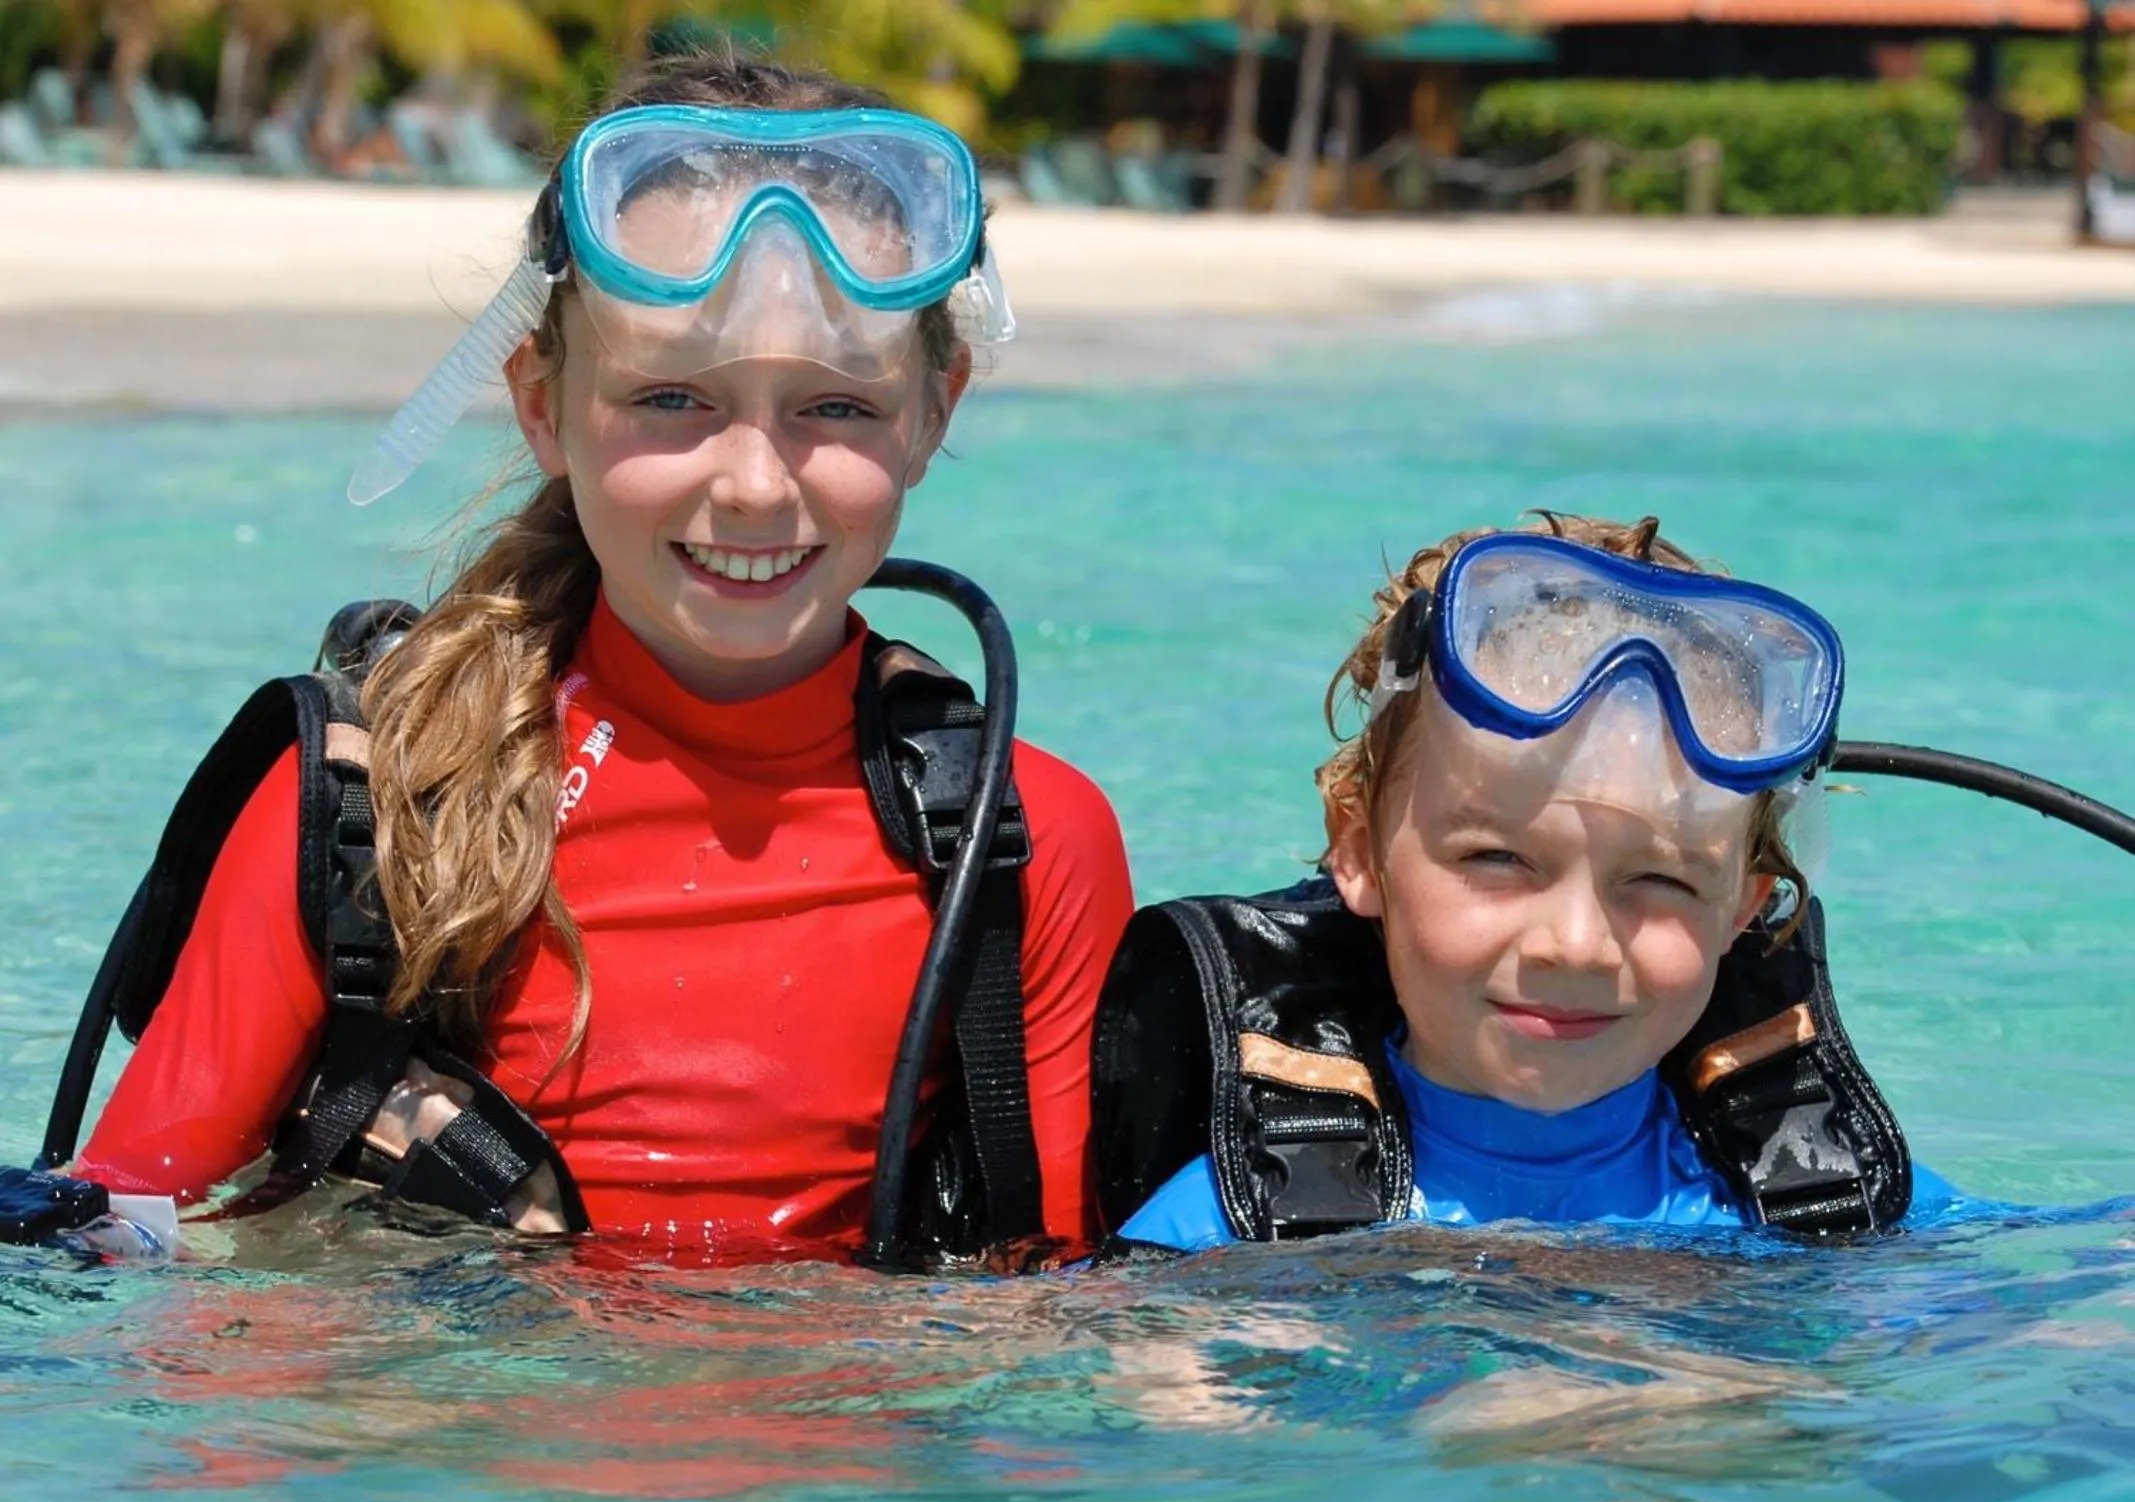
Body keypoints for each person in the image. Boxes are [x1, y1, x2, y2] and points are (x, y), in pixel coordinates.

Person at [42, 52, 1133, 1265]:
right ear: (538, 400)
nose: (755, 484)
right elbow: (117, 1233)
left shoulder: (1016, 843)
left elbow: (1048, 1320)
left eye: (835, 407)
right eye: (670, 399)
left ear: (934, 410)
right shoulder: (373, 802)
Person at [1096, 513, 1955, 1253]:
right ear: (1357, 851)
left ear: (1742, 904)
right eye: (1496, 861)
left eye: (1658, 877)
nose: (1574, 945)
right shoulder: (1218, 1244)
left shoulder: (1850, 1208)